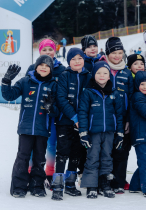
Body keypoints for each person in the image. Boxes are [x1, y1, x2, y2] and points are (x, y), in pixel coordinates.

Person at [2, 56, 58, 198]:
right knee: (23, 157)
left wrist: (50, 107)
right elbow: (9, 95)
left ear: (51, 69)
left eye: (47, 66)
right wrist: (6, 81)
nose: (43, 67)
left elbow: (57, 111)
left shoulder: (53, 85)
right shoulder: (25, 82)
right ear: (36, 66)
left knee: (40, 158)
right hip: (26, 128)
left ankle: (37, 186)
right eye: (41, 65)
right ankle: (19, 186)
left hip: (43, 129)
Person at [78, 61, 124, 199]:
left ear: (109, 75)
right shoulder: (88, 92)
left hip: (109, 132)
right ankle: (91, 186)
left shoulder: (115, 93)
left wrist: (120, 133)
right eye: (98, 73)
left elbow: (120, 114)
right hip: (93, 133)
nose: (102, 75)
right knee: (92, 157)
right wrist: (83, 133)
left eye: (105, 73)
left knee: (106, 157)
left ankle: (105, 184)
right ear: (94, 75)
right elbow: (83, 113)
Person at [51, 48, 91, 201]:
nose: (77, 62)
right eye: (73, 59)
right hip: (65, 121)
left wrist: (82, 119)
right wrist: (75, 117)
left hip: (82, 123)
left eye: (80, 58)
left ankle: (70, 184)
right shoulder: (64, 76)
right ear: (69, 61)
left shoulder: (89, 76)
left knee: (76, 153)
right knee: (62, 153)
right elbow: (61, 99)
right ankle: (57, 186)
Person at [26, 38, 66, 187]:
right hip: (36, 113)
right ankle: (31, 171)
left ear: (55, 51)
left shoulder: (61, 69)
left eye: (51, 49)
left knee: (51, 144)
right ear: (39, 51)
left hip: (54, 113)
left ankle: (49, 172)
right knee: (33, 143)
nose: (48, 52)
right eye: (44, 49)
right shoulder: (32, 67)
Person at [99, 37, 134, 193]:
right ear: (107, 53)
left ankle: (119, 182)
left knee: (122, 150)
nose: (117, 56)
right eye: (113, 52)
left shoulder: (126, 72)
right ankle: (105, 180)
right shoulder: (101, 69)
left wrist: (128, 119)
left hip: (123, 119)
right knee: (106, 151)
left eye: (120, 53)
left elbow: (132, 96)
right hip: (105, 118)